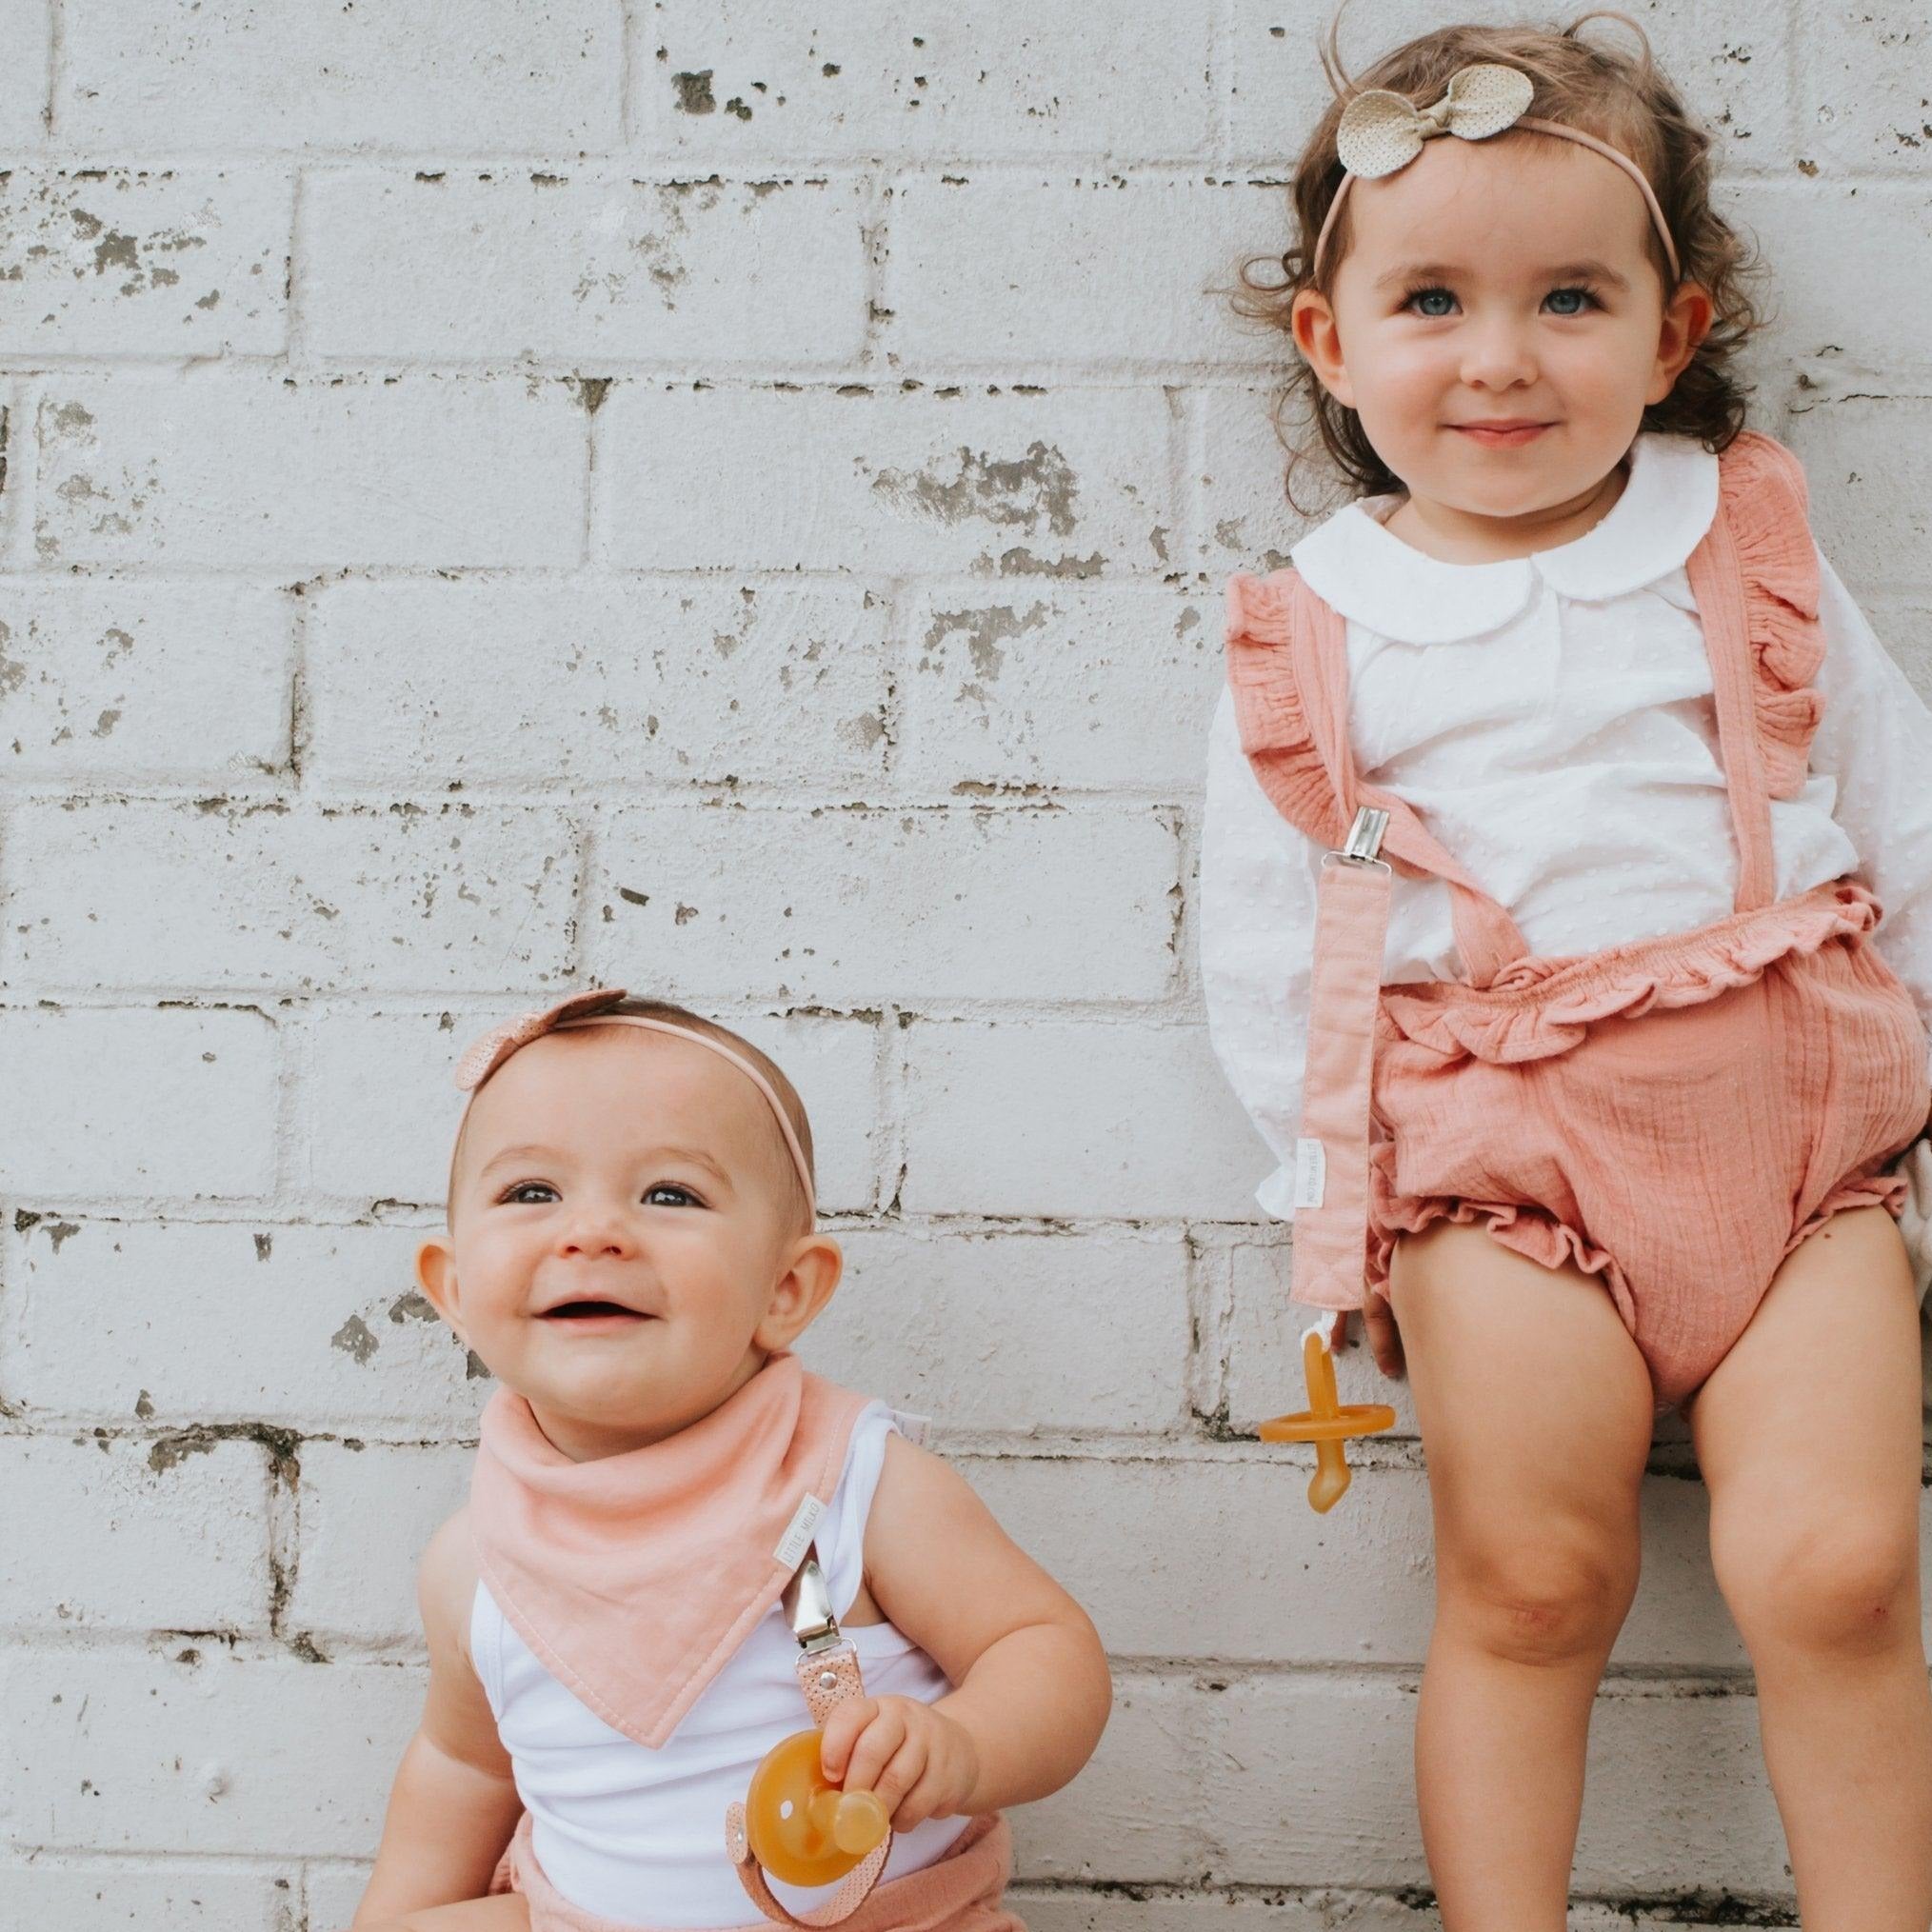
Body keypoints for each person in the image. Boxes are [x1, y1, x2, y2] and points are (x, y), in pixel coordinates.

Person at [1202, 15, 1932, 1926]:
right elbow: (1290, 951)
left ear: (1670, 335)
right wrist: (1330, 1213)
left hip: (1798, 1145)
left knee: (1841, 1568)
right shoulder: (1321, 634)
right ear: (1332, 344)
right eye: (1432, 299)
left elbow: (1900, 815)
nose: (1503, 357)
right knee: (1529, 1586)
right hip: (1501, 1163)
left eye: (1570, 298)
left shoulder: (1742, 542)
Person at [349, 990, 1110, 1932]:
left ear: (786, 1289)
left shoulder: (852, 1492)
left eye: (669, 1194)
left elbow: (1043, 1648)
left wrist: (963, 1744)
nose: (589, 1231)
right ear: (454, 1289)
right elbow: (465, 1767)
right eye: (531, 1192)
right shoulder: (476, 1559)